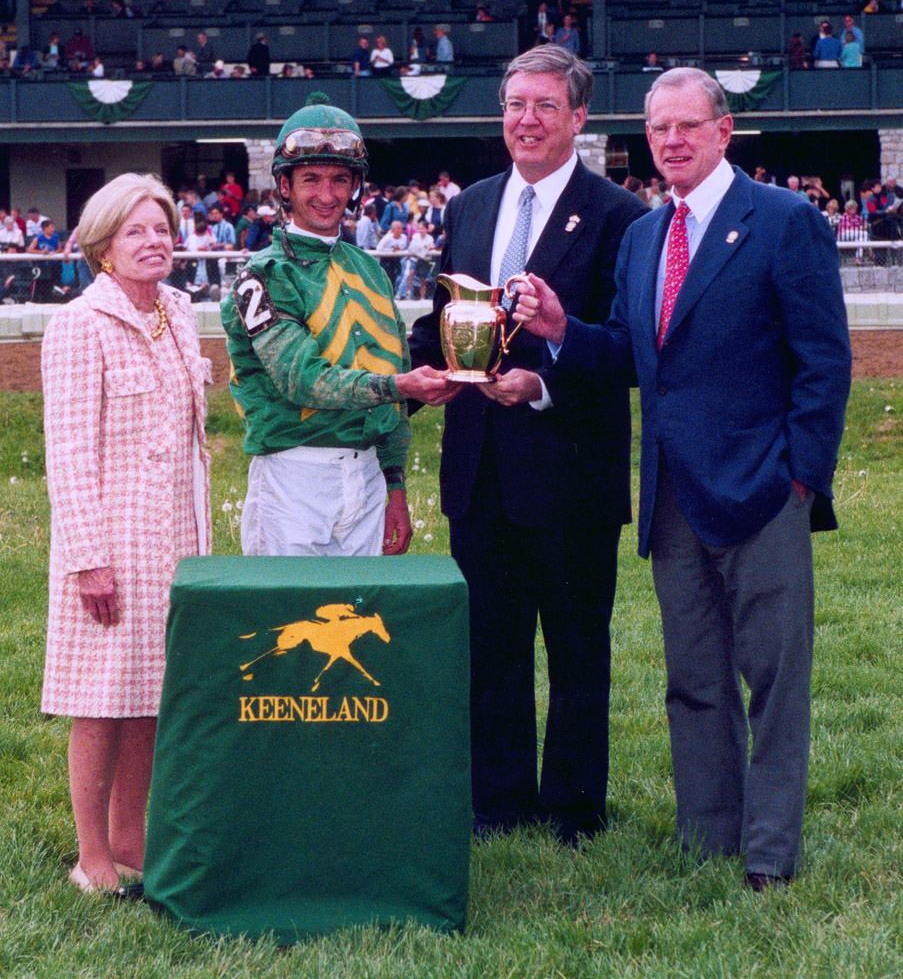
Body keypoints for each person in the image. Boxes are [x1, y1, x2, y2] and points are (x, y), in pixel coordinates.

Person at [513, 67, 852, 886]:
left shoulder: (782, 221)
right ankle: (707, 836)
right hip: (670, 498)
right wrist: (563, 329)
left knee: (772, 681)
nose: (670, 142)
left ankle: (769, 853)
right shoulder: (641, 237)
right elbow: (630, 355)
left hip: (764, 492)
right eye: (658, 130)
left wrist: (800, 478)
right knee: (693, 680)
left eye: (687, 127)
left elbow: (824, 363)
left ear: (722, 132)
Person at [408, 44, 647, 845]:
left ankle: (575, 807)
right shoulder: (469, 205)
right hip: (477, 470)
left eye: (545, 106)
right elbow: (443, 322)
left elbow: (626, 350)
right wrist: (407, 378)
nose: (526, 120)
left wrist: (543, 375)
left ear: (578, 118)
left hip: (569, 470)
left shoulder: (620, 216)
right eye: (514, 104)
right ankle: (497, 800)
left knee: (577, 651)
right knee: (490, 649)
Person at [41, 172, 211, 895]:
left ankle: (131, 839)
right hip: (110, 547)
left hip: (175, 542)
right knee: (101, 699)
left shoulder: (178, 309)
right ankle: (92, 857)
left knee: (153, 695)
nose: (154, 242)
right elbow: (68, 452)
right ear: (102, 247)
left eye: (162, 229)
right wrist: (87, 560)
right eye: (135, 231)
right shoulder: (79, 324)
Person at [220, 92, 457, 558]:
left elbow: (394, 373)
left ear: (355, 188)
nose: (326, 195)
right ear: (284, 187)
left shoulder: (371, 271)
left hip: (367, 477)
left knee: (359, 626)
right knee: (288, 624)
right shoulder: (262, 275)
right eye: (311, 178)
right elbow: (302, 380)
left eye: (339, 180)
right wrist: (401, 386)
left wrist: (394, 485)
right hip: (293, 479)